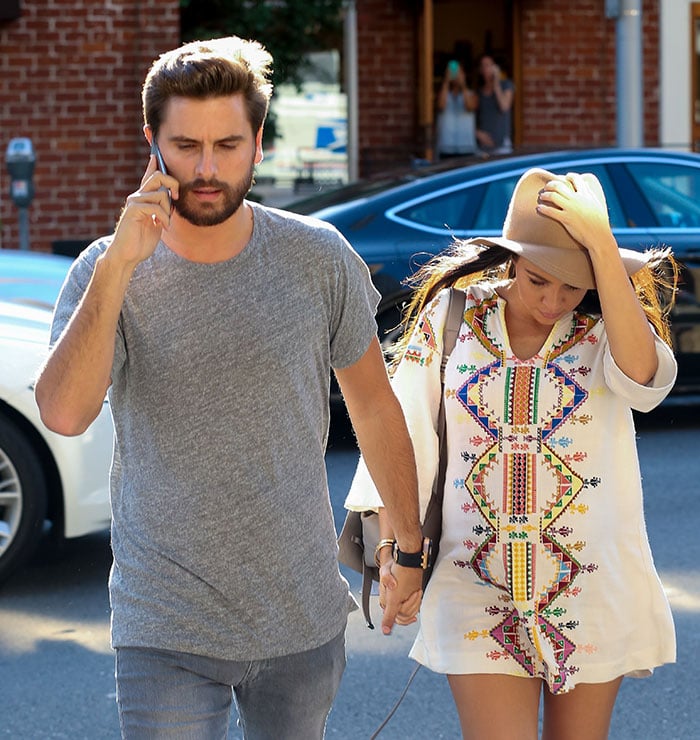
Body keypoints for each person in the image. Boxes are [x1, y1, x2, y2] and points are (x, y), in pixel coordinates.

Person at [34, 36, 425, 739]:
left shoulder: (317, 257)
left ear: (259, 143)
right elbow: (64, 412)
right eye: (186, 146)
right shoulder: (106, 268)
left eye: (228, 145)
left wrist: (407, 545)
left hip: (299, 614)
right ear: (151, 142)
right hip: (166, 620)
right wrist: (121, 265)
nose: (207, 169)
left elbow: (372, 403)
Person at [346, 167, 678, 739]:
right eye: (537, 279)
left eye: (572, 285)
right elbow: (402, 437)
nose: (553, 300)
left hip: (591, 589)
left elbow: (645, 382)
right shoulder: (452, 318)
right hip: (474, 586)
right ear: (509, 260)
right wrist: (393, 551)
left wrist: (601, 244)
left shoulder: (608, 327)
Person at [435, 59, 478, 159]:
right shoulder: (444, 94)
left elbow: (470, 107)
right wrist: (446, 81)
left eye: (459, 72)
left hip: (467, 147)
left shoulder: (471, 94)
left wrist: (463, 85)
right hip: (446, 147)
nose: (456, 75)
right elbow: (441, 106)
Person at [475, 54, 514, 154]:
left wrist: (496, 82)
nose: (485, 69)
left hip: (502, 145)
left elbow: (504, 106)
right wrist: (478, 133)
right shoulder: (479, 92)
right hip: (483, 147)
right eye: (482, 66)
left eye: (488, 65)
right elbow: (472, 118)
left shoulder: (506, 85)